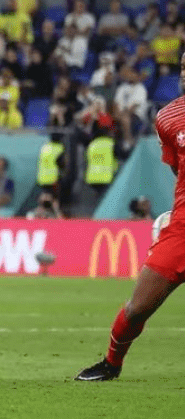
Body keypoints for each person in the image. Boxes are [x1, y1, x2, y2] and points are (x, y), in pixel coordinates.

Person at [75, 52, 185, 381]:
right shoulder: (169, 118)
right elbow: (176, 169)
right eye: (182, 66)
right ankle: (112, 363)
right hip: (182, 229)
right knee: (138, 307)